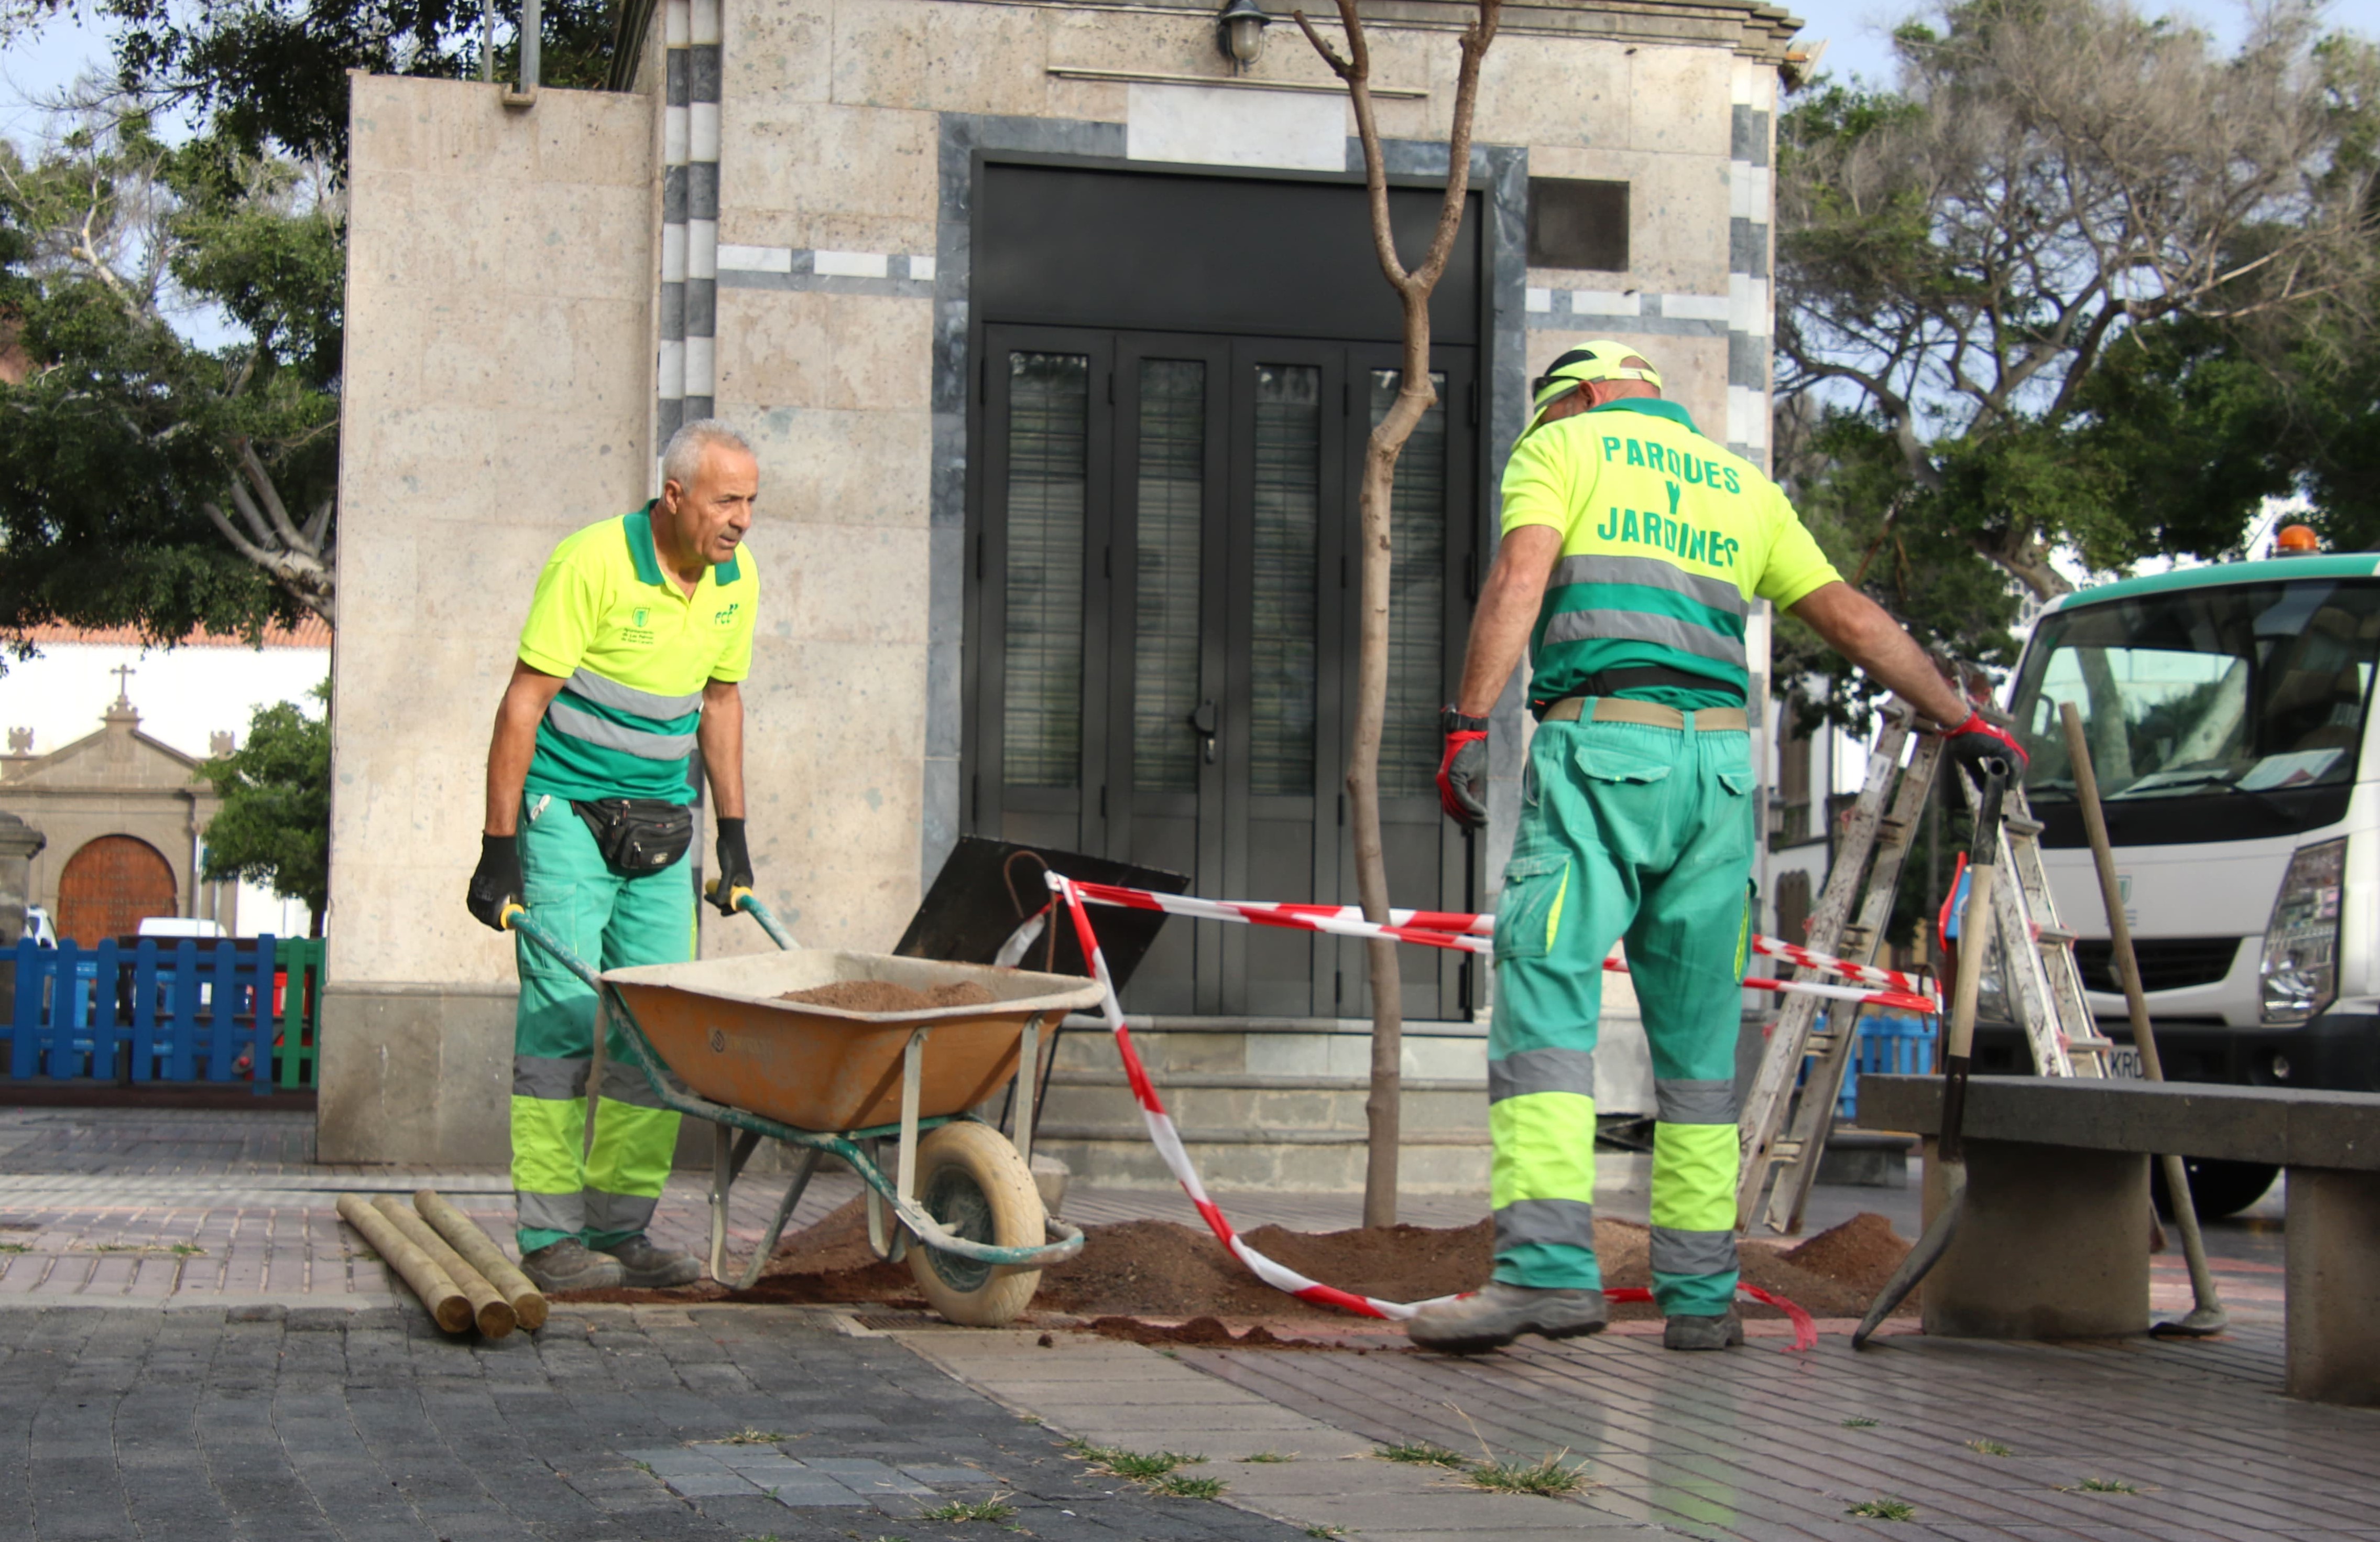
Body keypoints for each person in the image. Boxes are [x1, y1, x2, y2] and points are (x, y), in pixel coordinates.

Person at [1417, 342, 2024, 1353]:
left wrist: (1466, 722)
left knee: (1545, 1004)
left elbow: (1521, 576)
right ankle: (1701, 1298)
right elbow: (1851, 619)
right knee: (1700, 1055)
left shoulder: (1564, 448)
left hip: (1603, 755)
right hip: (1720, 778)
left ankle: (1543, 1274)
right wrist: (1959, 718)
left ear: (1578, 397)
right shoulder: (1742, 487)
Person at [464, 419, 763, 1294]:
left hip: (665, 821)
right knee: (562, 1020)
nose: (742, 519)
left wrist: (736, 839)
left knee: (656, 1025)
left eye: (750, 500)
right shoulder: (590, 563)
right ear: (675, 498)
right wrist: (498, 848)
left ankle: (621, 1227)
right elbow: (523, 704)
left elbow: (721, 702)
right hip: (566, 813)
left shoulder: (735, 580)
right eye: (726, 500)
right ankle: (549, 1236)